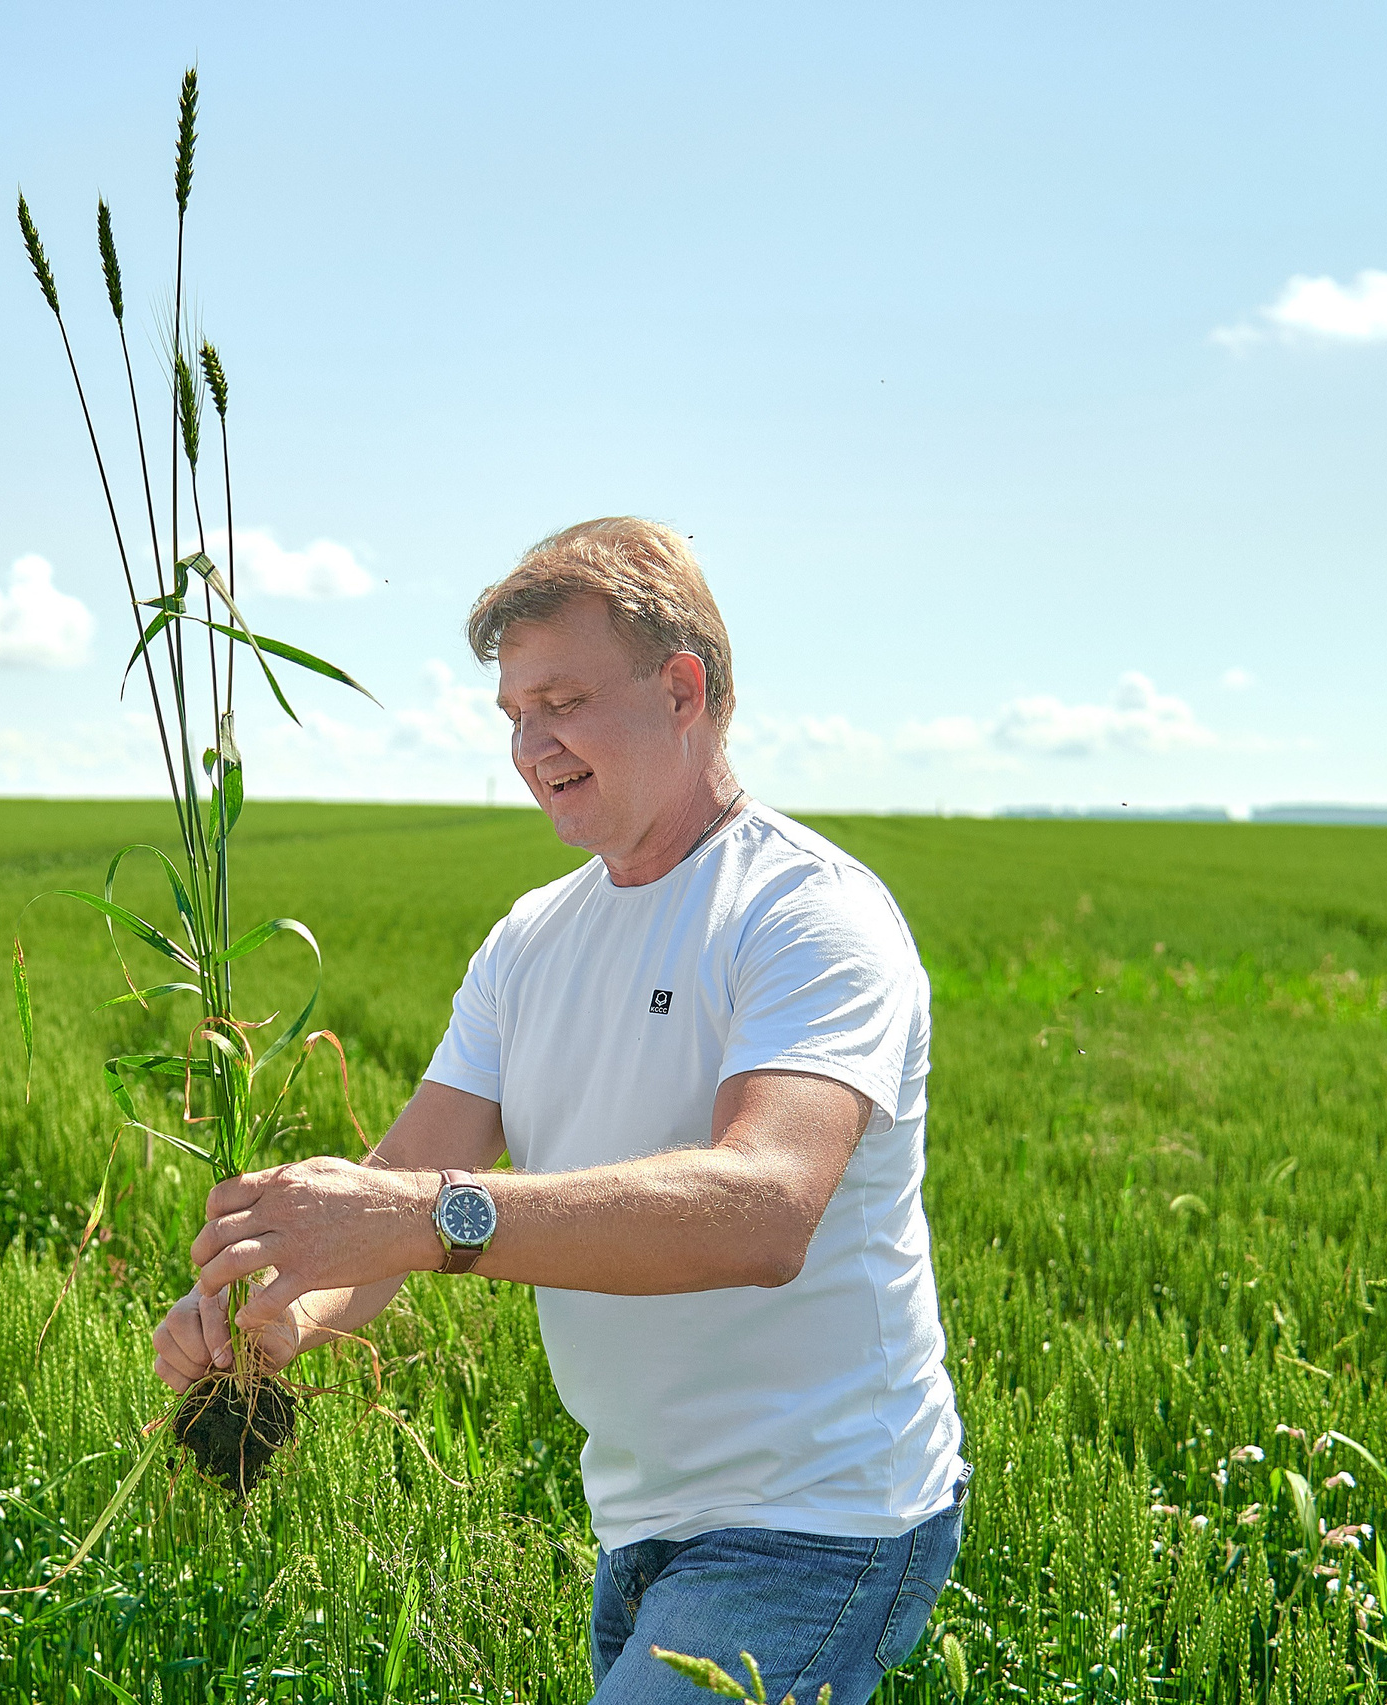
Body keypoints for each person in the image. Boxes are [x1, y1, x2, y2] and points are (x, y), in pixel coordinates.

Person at [151, 518, 966, 1703]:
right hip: (641, 1521)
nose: (534, 746)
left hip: (820, 1516)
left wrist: (425, 1217)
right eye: (515, 716)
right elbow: (408, 1180)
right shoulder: (529, 939)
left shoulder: (804, 913)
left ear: (682, 689)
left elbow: (762, 1208)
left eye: (565, 700)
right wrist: (282, 1314)